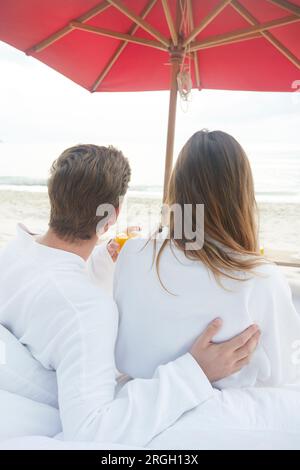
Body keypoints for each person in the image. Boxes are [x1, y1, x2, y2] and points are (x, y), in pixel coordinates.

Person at [0, 144, 260, 446]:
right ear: (113, 216)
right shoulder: (86, 311)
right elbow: (91, 431)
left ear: (54, 196)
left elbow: (48, 296)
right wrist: (195, 372)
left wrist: (98, 261)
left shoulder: (13, 253)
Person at [114, 130, 300, 389]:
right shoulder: (260, 278)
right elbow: (283, 378)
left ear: (176, 189)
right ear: (242, 196)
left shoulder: (132, 255)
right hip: (220, 419)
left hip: (135, 397)